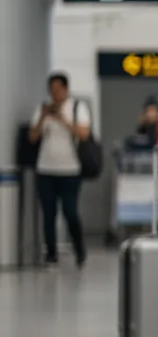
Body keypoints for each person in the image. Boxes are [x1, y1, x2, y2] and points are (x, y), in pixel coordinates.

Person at [27, 72, 91, 268]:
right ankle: (51, 253)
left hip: (70, 170)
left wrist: (63, 119)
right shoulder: (42, 108)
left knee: (70, 211)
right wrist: (43, 118)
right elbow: (32, 137)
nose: (54, 94)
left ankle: (79, 249)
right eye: (51, 90)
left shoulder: (77, 107)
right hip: (46, 169)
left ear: (65, 89)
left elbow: (84, 133)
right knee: (48, 213)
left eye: (58, 89)